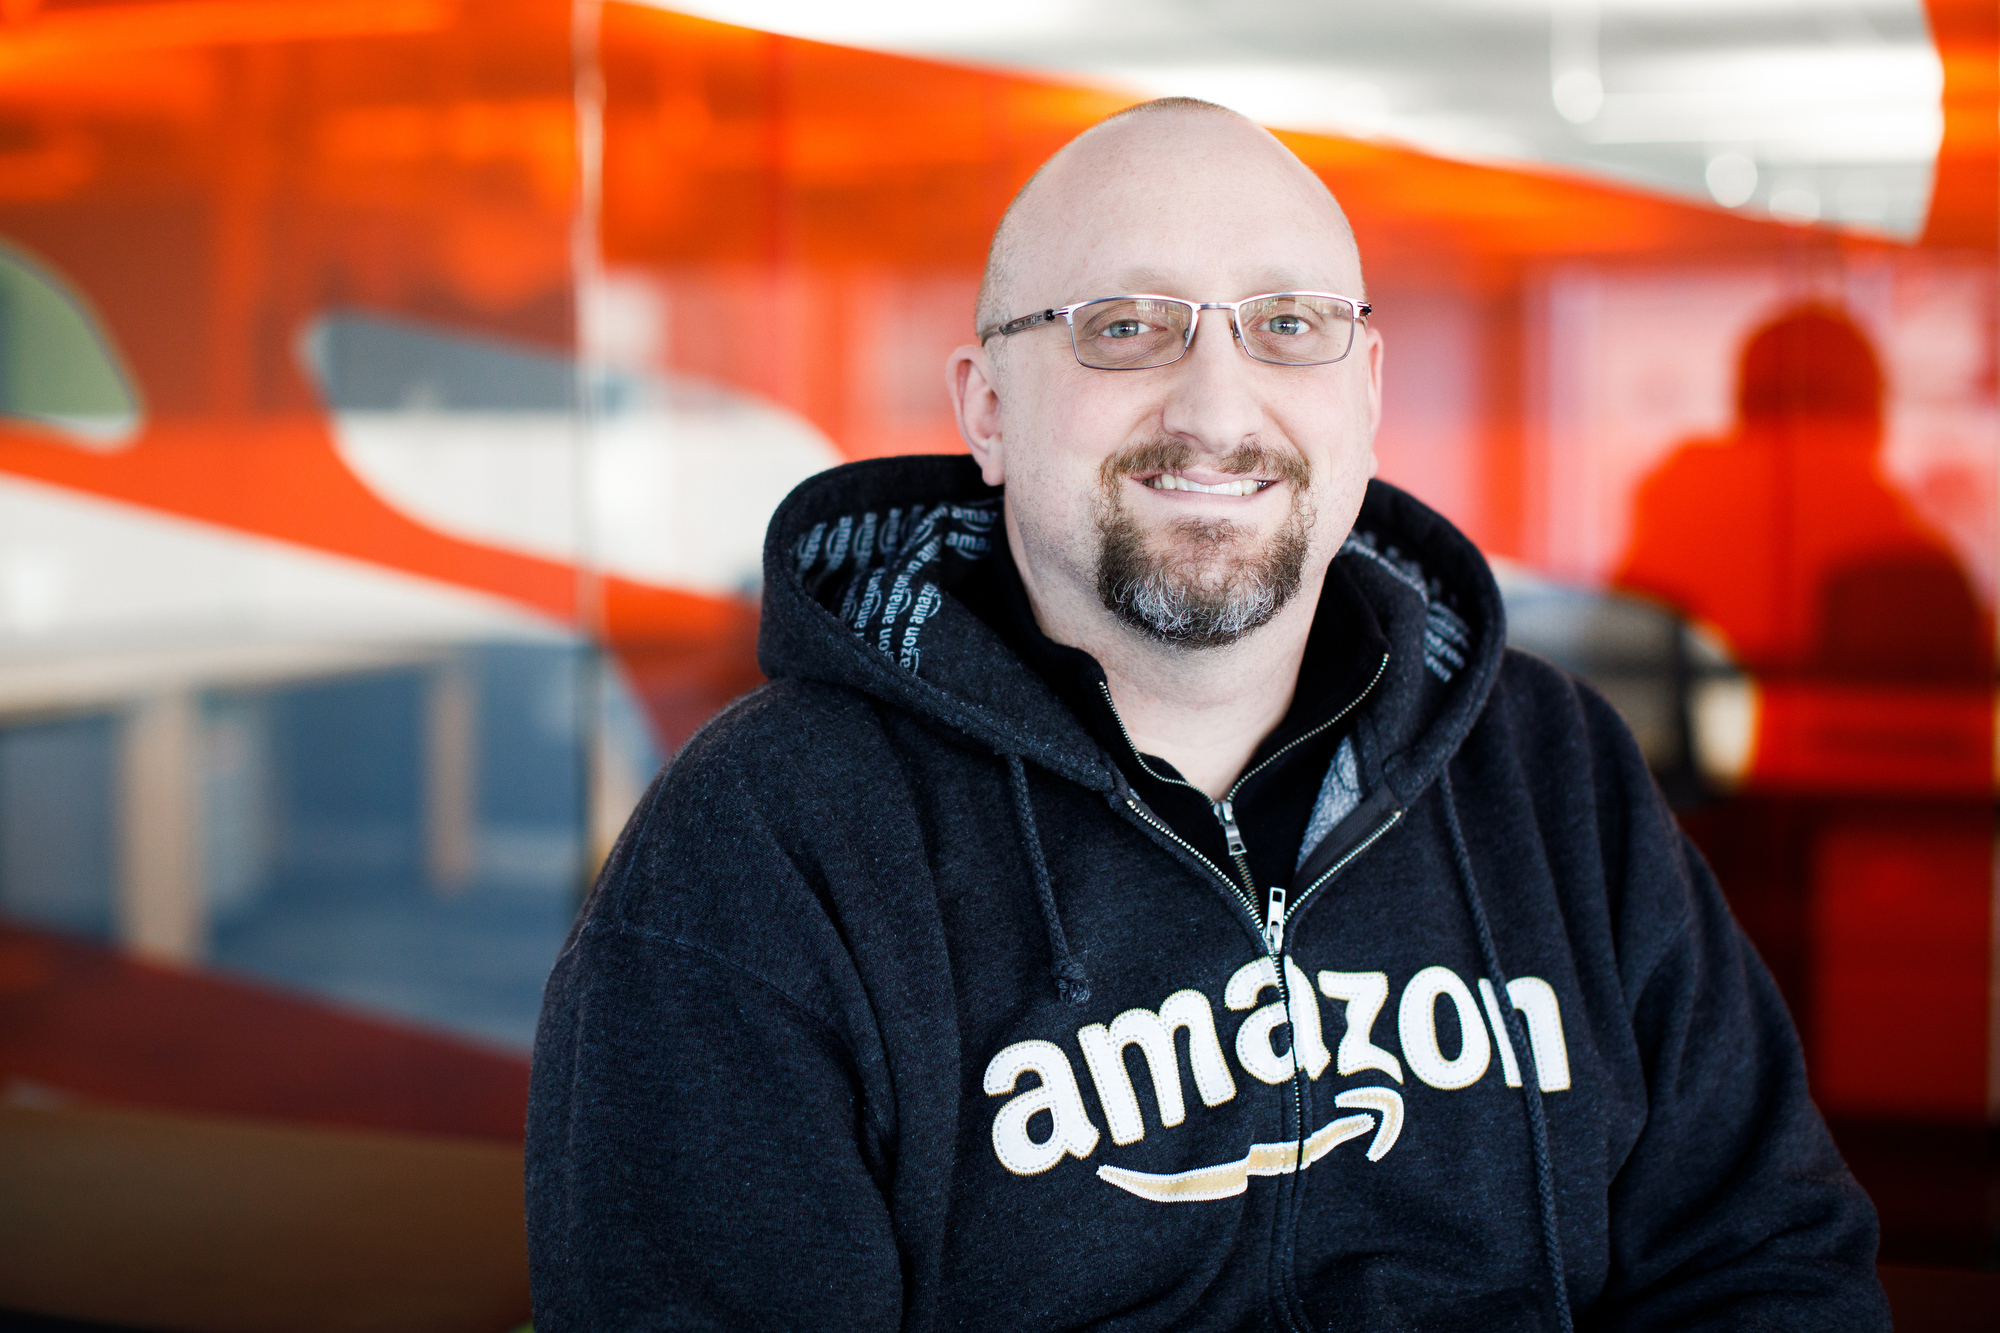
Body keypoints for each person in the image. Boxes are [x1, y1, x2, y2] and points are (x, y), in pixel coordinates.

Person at [526, 100, 1886, 1330]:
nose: (1217, 405)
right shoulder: (764, 849)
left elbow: (1769, 1267)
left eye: (1288, 327)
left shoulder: (1554, 772)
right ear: (988, 409)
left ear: (1364, 393)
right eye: (1127, 327)